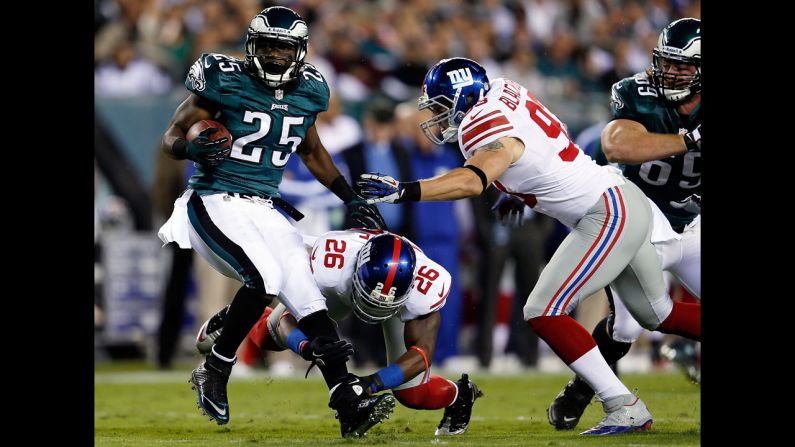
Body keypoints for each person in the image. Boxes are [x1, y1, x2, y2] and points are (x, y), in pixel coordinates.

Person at [357, 56, 701, 435]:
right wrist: (520, 188)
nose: (437, 118)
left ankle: (623, 405)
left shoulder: (477, 123)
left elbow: (474, 181)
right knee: (659, 314)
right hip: (620, 199)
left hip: (607, 212)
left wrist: (406, 191)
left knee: (542, 309)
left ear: (463, 98)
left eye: (441, 107)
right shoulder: (504, 87)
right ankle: (621, 404)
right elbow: (548, 139)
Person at [156, 6, 391, 436]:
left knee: (308, 298)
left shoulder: (311, 91)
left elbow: (312, 150)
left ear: (299, 52)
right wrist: (190, 150)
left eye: (284, 49)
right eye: (268, 47)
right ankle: (215, 369)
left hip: (265, 205)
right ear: (252, 46)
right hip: (213, 197)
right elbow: (171, 136)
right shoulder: (223, 78)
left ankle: (344, 396)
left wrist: (350, 196)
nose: (276, 56)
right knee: (264, 278)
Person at [547, 17, 701, 430]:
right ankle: (584, 387)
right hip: (642, 218)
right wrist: (691, 139)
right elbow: (619, 144)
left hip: (694, 220)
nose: (671, 73)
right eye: (667, 63)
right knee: (631, 323)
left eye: (684, 67)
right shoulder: (637, 92)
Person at [196, 230, 482, 435]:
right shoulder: (329, 267)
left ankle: (461, 394)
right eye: (372, 297)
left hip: (397, 301)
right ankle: (244, 316)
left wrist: (368, 385)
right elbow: (286, 320)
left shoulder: (427, 286)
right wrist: (307, 347)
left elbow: (422, 355)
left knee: (413, 395)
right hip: (338, 290)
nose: (377, 307)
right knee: (270, 337)